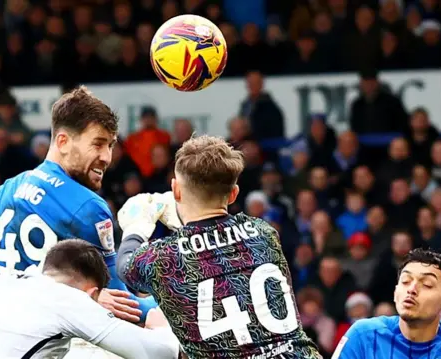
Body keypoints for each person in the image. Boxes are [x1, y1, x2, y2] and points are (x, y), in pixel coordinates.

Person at [0, 86, 157, 341]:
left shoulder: (2, 193)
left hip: (0, 340)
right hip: (51, 344)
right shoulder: (88, 207)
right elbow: (119, 300)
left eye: (110, 145)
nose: (107, 157)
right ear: (62, 141)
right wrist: (167, 306)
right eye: (98, 144)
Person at [116, 135, 322, 358]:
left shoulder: (164, 257)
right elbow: (216, 248)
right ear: (234, 194)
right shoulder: (265, 233)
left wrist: (136, 227)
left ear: (176, 191)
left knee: (157, 321)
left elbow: (126, 267)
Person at [0, 240, 180, 359]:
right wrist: (161, 325)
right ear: (92, 293)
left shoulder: (0, 278)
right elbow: (159, 353)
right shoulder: (67, 299)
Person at [333, 248, 441, 358]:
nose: (411, 289)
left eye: (427, 285)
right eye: (405, 281)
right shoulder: (363, 335)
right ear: (396, 293)